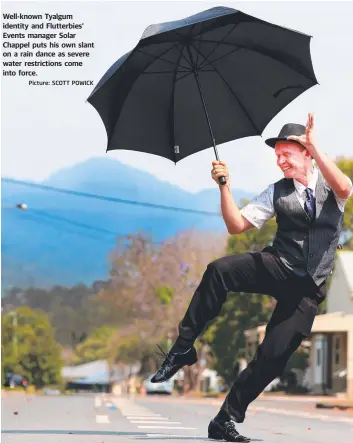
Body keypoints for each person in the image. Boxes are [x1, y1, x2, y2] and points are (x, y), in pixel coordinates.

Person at [150, 113, 352, 442]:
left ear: (306, 153)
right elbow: (236, 225)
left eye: (286, 153)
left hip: (307, 290)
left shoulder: (331, 186)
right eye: (277, 155)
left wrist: (317, 146)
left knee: (272, 359)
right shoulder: (276, 192)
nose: (280, 160)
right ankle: (184, 346)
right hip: (279, 266)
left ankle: (224, 419)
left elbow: (345, 187)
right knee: (220, 270)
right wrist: (224, 186)